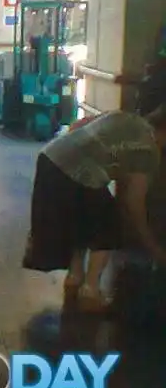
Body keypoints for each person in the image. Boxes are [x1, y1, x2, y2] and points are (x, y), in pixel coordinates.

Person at [23, 107, 166, 311]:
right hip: (79, 171)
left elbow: (77, 126)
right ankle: (90, 290)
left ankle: (75, 276)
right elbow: (134, 202)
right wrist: (150, 243)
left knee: (80, 219)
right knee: (109, 225)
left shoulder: (124, 116)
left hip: (50, 157)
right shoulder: (149, 149)